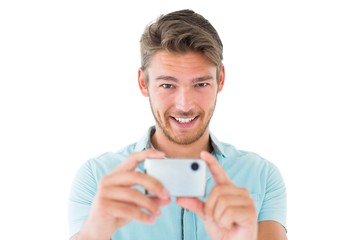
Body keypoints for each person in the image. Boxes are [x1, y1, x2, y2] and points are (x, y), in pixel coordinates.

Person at [68, 9, 287, 240]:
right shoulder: (97, 179)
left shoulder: (261, 176)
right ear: (144, 83)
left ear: (220, 79)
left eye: (201, 84)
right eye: (167, 85)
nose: (185, 105)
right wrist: (93, 234)